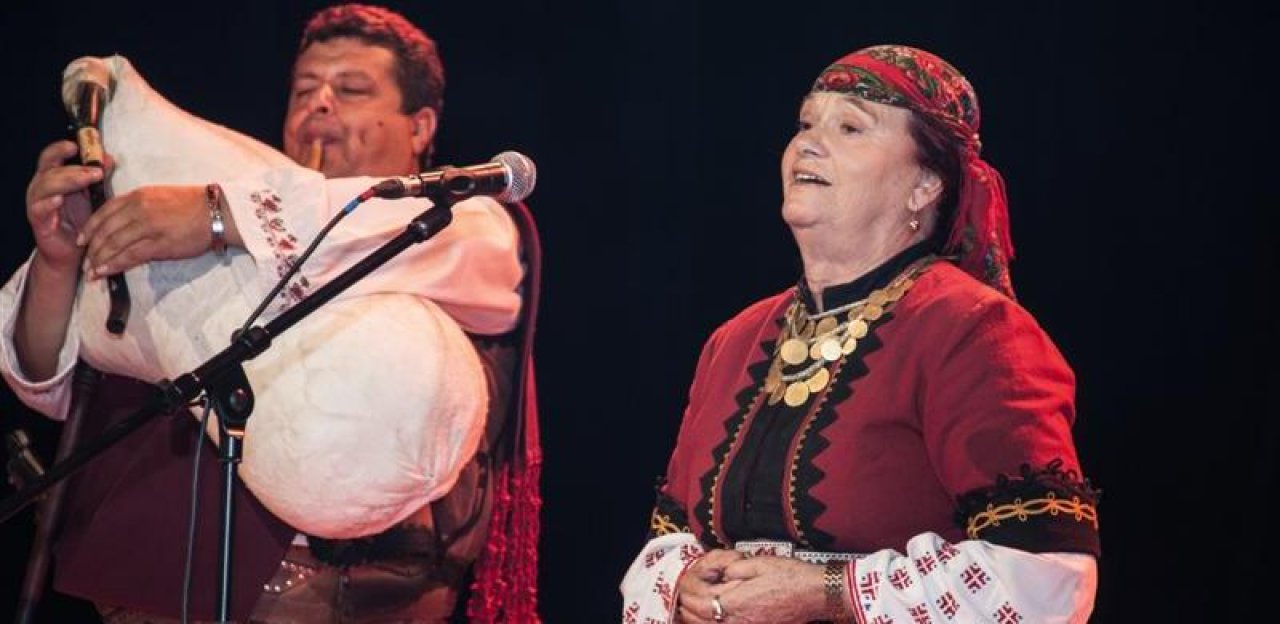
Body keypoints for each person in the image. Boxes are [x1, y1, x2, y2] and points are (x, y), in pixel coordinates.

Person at [1, 4, 540, 623]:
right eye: (304, 90)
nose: (321, 104)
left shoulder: (459, 228)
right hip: (170, 585)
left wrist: (215, 215)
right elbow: (48, 380)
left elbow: (473, 245)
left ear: (419, 127)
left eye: (352, 89)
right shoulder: (206, 224)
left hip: (372, 599)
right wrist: (58, 261)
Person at [621, 45, 1099, 624]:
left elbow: (1047, 577)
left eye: (850, 127)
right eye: (805, 123)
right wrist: (682, 583)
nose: (808, 144)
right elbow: (669, 537)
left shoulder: (972, 331)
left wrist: (826, 591)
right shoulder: (735, 340)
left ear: (925, 185)